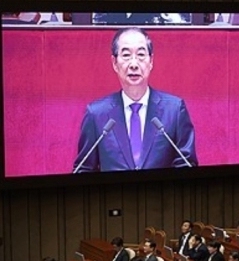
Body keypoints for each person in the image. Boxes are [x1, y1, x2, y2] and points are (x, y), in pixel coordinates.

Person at [73, 27, 197, 172]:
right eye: (126, 55)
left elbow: (187, 166)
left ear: (151, 61)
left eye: (141, 55)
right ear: (114, 63)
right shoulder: (96, 114)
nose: (133, 64)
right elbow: (84, 170)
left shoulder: (174, 110)